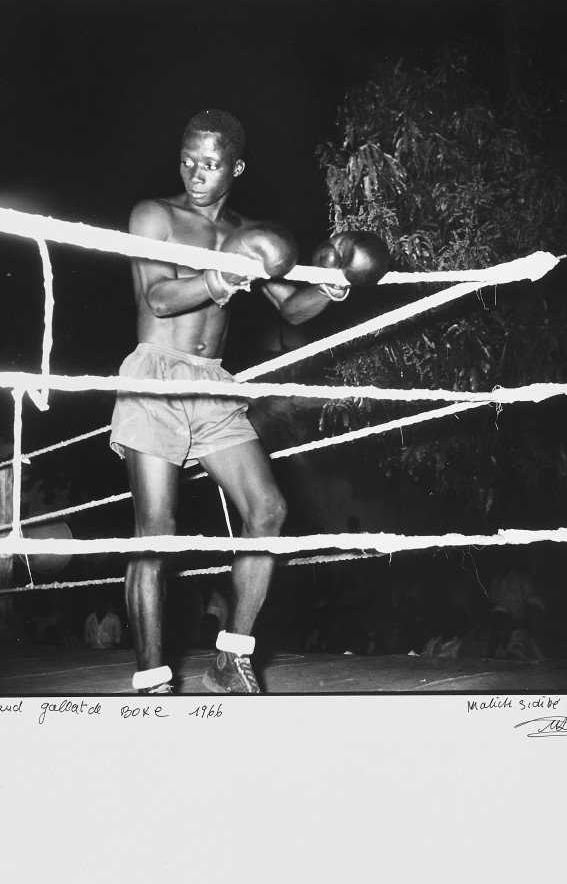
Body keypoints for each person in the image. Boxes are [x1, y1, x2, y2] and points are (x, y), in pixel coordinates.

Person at [110, 109, 389, 695]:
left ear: (235, 167)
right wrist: (226, 278)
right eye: (187, 159)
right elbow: (159, 298)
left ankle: (229, 658)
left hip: (213, 385)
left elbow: (292, 307)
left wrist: (331, 288)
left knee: (268, 512)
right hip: (157, 377)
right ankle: (153, 677)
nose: (195, 173)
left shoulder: (245, 234)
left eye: (210, 164)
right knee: (156, 530)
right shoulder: (154, 215)